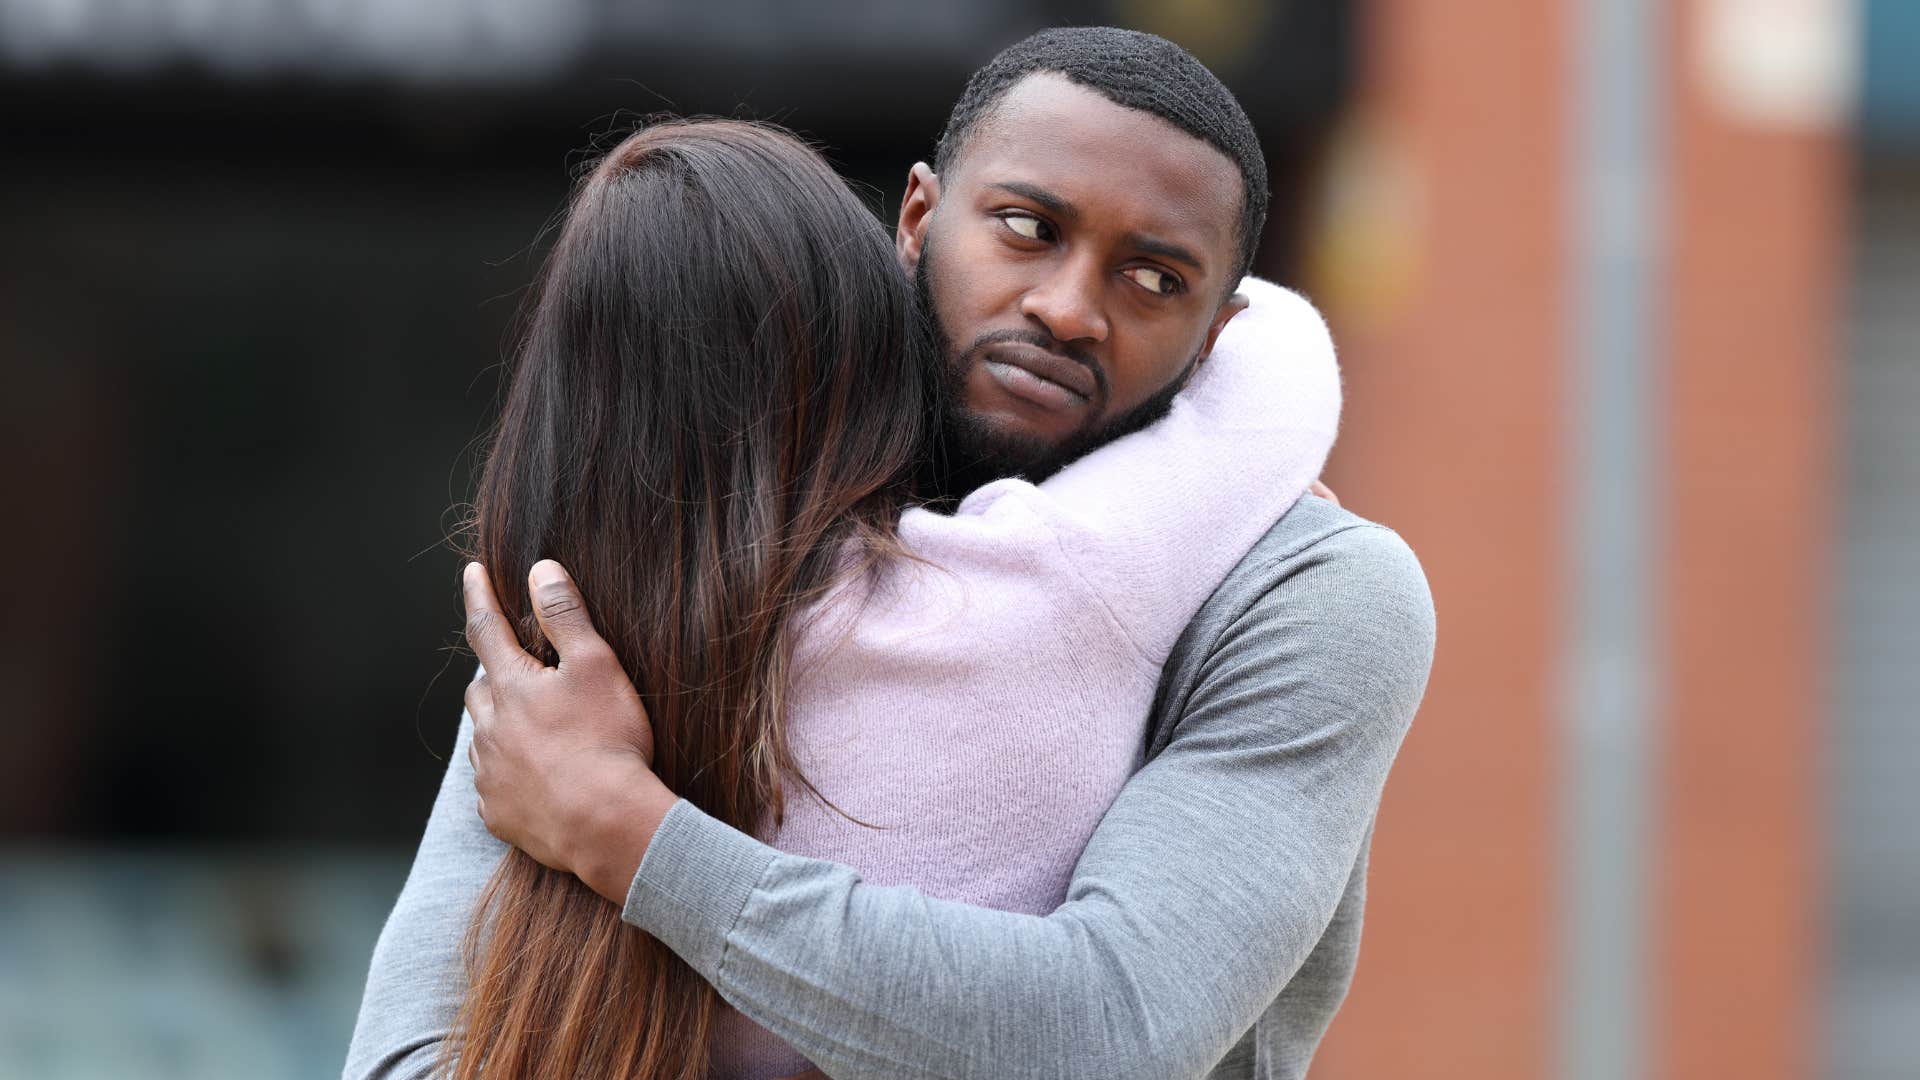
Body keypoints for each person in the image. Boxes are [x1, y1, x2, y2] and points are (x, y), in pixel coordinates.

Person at [348, 26, 1434, 1080]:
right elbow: (405, 1057)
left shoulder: (1305, 594)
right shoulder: (710, 505)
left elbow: (1109, 1032)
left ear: (1218, 334)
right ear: (919, 217)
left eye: (1154, 280)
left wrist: (632, 836)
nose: (1066, 311)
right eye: (1026, 227)